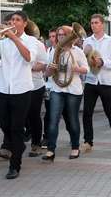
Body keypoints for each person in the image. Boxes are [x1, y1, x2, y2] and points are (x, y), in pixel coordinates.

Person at [0, 11, 36, 179]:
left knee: (16, 128)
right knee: (4, 124)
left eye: (17, 20)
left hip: (22, 89)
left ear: (24, 23)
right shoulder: (3, 41)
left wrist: (14, 38)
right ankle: (19, 146)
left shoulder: (31, 41)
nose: (13, 22)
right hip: (4, 89)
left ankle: (15, 165)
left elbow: (29, 58)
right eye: (11, 20)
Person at [42, 25, 89, 162]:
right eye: (59, 35)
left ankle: (75, 147)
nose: (60, 37)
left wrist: (77, 68)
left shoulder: (77, 51)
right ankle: (51, 150)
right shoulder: (54, 51)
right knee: (53, 119)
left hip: (73, 89)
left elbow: (86, 69)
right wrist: (50, 70)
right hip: (57, 88)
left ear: (69, 36)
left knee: (73, 119)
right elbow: (47, 74)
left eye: (63, 35)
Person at [81, 14, 111, 152]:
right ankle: (88, 142)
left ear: (102, 24)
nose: (93, 25)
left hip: (105, 81)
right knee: (87, 112)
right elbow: (83, 61)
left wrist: (102, 62)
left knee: (109, 110)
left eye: (96, 22)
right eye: (92, 23)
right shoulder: (87, 41)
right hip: (91, 80)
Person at [27, 26, 48, 157]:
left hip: (35, 85)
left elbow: (43, 65)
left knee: (34, 116)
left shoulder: (38, 44)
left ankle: (36, 144)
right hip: (19, 86)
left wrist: (28, 67)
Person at [41, 29, 58, 148]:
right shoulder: (48, 51)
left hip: (60, 87)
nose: (52, 39)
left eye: (54, 36)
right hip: (49, 86)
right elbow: (45, 69)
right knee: (48, 114)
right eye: (50, 36)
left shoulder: (62, 50)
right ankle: (46, 137)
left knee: (66, 115)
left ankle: (73, 134)